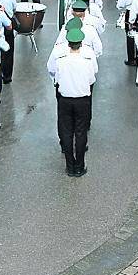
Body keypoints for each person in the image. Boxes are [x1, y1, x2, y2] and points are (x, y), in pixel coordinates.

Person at [49, 27, 97, 176]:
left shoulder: (61, 60)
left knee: (67, 132)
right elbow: (91, 79)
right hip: (82, 100)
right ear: (81, 43)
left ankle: (69, 166)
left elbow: (56, 78)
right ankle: (79, 166)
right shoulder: (87, 61)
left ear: (68, 44)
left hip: (65, 100)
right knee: (81, 133)